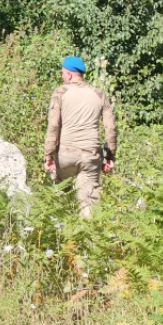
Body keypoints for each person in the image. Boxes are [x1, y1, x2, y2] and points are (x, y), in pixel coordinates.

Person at [44, 56, 117, 219]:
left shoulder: (60, 92)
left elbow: (53, 126)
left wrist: (48, 156)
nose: (62, 76)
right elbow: (111, 127)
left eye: (63, 73)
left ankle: (61, 232)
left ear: (69, 75)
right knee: (88, 202)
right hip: (91, 156)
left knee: (61, 196)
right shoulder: (99, 94)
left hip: (66, 155)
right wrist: (110, 156)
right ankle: (86, 236)